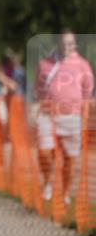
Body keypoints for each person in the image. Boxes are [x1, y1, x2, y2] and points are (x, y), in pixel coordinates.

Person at [35, 31, 94, 204]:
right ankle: (47, 183)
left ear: (74, 45)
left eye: (70, 43)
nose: (66, 46)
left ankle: (66, 192)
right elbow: (38, 88)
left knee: (70, 157)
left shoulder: (82, 65)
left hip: (72, 116)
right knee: (45, 152)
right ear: (58, 44)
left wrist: (82, 108)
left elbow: (88, 89)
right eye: (63, 43)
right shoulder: (45, 64)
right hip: (48, 114)